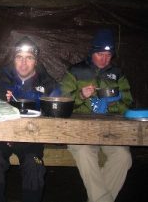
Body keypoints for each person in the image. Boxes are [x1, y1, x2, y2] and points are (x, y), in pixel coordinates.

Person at [0, 36, 59, 202]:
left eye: (29, 58)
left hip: (31, 138)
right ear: (13, 58)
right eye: (19, 57)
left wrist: (34, 101)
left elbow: (58, 108)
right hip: (0, 135)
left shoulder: (47, 82)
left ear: (36, 61)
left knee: (34, 166)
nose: (23, 63)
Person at [60, 29, 133, 202]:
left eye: (108, 55)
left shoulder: (117, 74)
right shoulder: (76, 71)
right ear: (93, 52)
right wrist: (81, 96)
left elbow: (128, 103)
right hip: (81, 130)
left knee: (124, 157)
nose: (104, 59)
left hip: (111, 130)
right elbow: (62, 101)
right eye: (100, 54)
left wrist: (115, 102)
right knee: (85, 153)